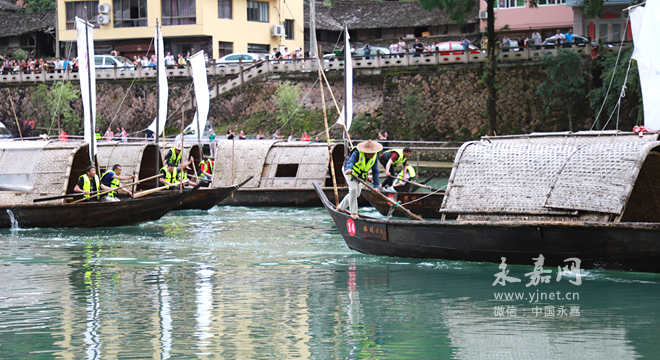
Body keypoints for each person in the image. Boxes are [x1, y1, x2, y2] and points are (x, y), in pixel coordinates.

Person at [338, 140, 382, 219]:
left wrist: (376, 186)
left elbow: (375, 171)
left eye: (373, 152)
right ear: (365, 152)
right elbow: (350, 162)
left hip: (360, 175)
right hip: (349, 172)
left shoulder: (374, 157)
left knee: (357, 194)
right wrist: (348, 169)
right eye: (370, 153)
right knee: (353, 190)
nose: (372, 154)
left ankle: (341, 207)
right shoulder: (357, 153)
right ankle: (353, 212)